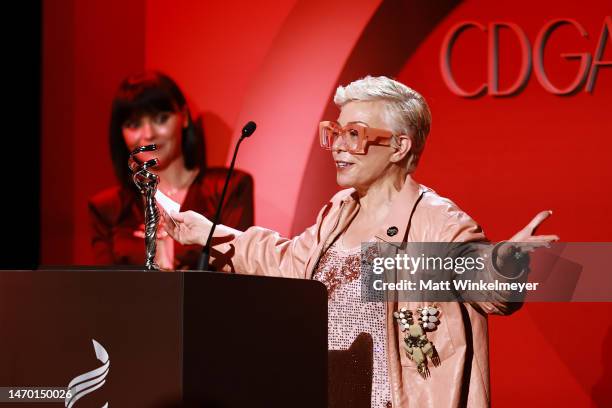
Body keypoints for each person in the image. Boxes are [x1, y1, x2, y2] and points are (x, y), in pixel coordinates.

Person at [160, 76, 558, 407]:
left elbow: (485, 285)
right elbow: (288, 263)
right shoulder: (340, 210)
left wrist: (506, 262)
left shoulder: (436, 221)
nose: (338, 146)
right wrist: (208, 233)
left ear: (400, 147)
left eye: (355, 134)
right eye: (334, 133)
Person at [89, 71, 254, 270]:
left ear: (183, 117)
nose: (148, 134)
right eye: (134, 125)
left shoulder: (228, 188)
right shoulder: (108, 208)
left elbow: (239, 272)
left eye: (160, 119)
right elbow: (103, 288)